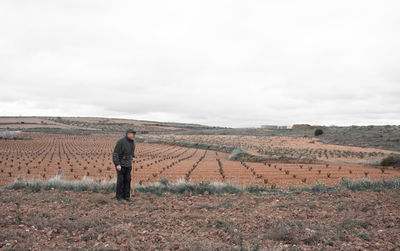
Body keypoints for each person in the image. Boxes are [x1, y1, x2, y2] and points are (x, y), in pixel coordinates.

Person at [112, 129, 136, 201]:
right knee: (121, 181)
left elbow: (131, 152)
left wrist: (133, 157)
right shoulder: (121, 142)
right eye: (133, 134)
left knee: (128, 180)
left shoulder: (132, 142)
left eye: (134, 134)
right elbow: (115, 154)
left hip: (128, 164)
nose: (134, 136)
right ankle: (119, 197)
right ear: (128, 134)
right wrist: (117, 164)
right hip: (121, 164)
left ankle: (127, 196)